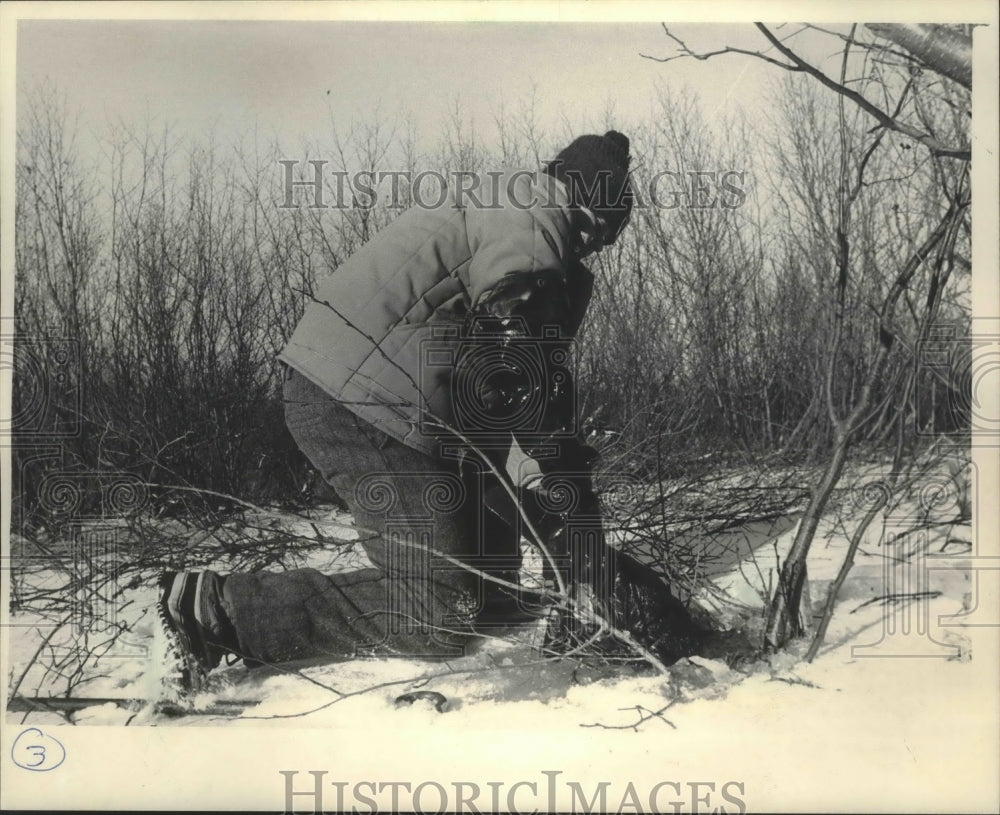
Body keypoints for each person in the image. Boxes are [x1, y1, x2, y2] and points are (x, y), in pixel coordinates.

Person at [156, 131, 704, 695]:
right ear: (569, 193)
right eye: (587, 224)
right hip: (360, 402)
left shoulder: (523, 241)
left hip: (391, 404)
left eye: (600, 238)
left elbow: (516, 410)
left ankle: (487, 598)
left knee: (491, 591)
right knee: (439, 612)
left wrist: (569, 530)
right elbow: (522, 355)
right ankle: (216, 612)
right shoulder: (527, 206)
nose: (585, 243)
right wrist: (562, 501)